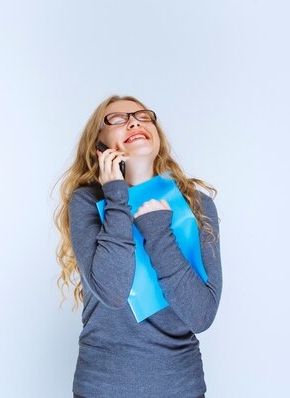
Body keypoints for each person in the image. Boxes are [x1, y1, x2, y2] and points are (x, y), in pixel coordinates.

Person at [53, 95, 223, 398]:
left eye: (143, 116)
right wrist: (116, 195)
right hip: (101, 389)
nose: (133, 121)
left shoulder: (197, 205)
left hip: (180, 388)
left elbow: (201, 316)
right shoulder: (87, 203)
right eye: (117, 119)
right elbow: (113, 290)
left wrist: (159, 233)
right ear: (100, 145)